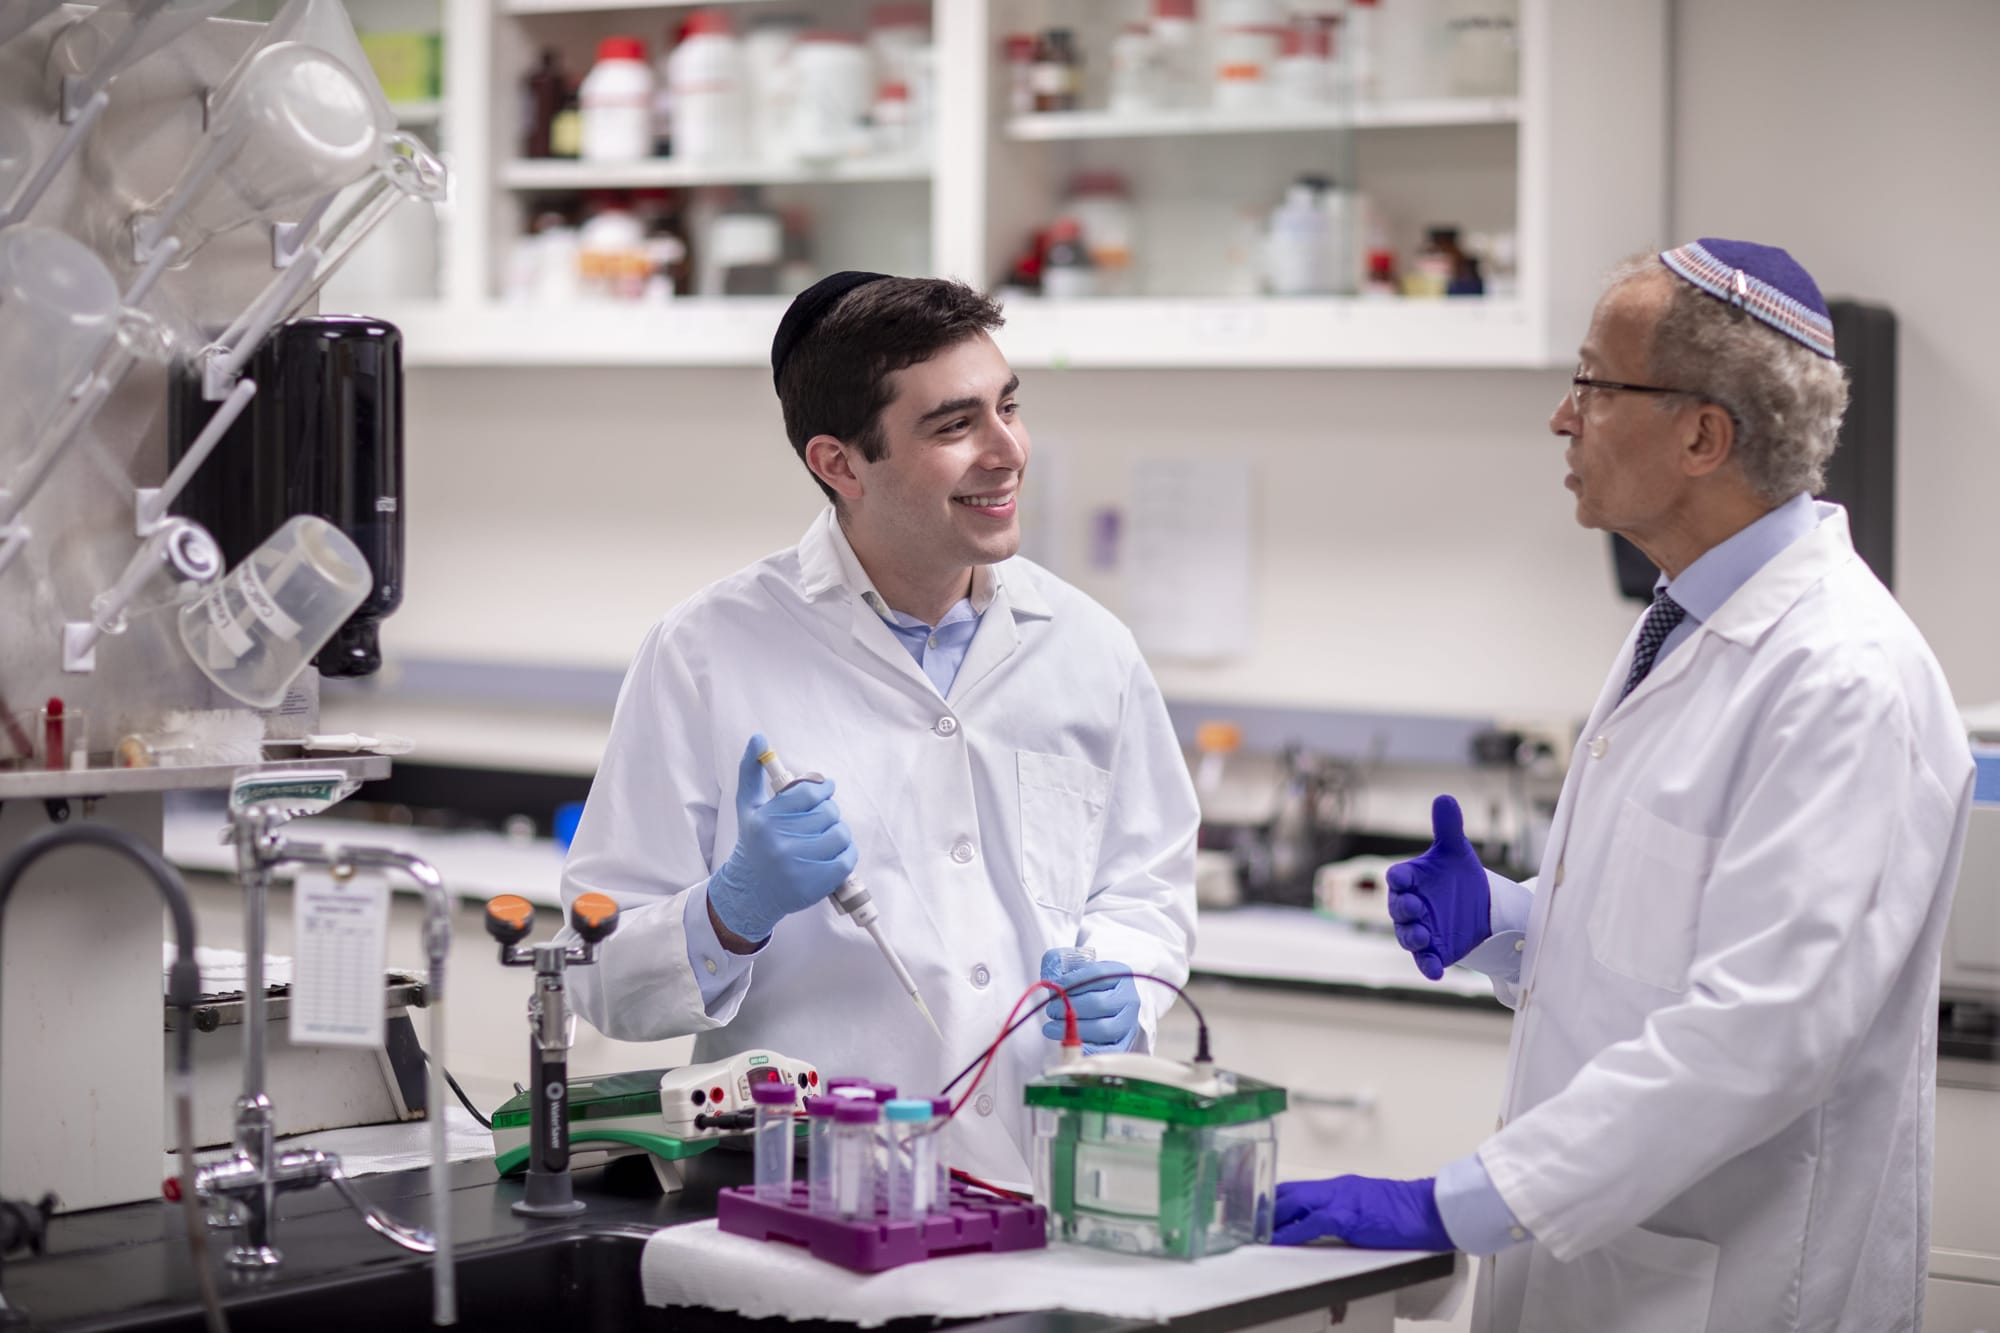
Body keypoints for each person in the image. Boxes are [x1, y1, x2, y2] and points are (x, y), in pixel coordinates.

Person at [1272, 240, 1974, 1333]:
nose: (1562, 417)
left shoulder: (1841, 678)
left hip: (1732, 1291)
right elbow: (1666, 946)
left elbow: (1760, 1032)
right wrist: (1513, 927)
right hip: (1614, 1274)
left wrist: (1453, 1203)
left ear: (1702, 435)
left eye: (1594, 386)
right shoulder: (1683, 622)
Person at [557, 273, 1198, 1183]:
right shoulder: (705, 652)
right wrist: (732, 911)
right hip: (804, 1194)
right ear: (841, 464)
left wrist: (1125, 983)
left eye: (1009, 406)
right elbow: (596, 973)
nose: (1008, 450)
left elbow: (1146, 887)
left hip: (1042, 1183)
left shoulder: (1091, 648)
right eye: (955, 425)